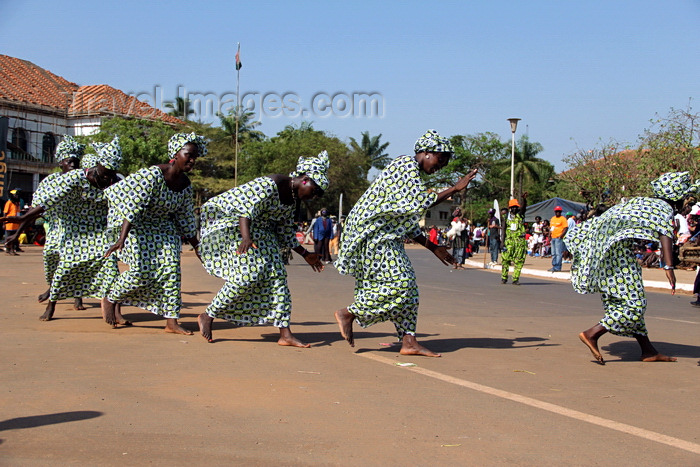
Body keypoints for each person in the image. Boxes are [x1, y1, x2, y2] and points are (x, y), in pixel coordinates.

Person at [334, 129, 479, 357]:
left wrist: (433, 248)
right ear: (426, 152)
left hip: (385, 238)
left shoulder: (413, 177)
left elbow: (407, 221)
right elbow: (420, 202)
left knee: (410, 292)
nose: (440, 166)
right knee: (402, 284)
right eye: (440, 160)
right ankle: (349, 313)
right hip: (371, 236)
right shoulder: (405, 165)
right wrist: (455, 188)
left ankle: (409, 341)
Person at [197, 151, 329, 346]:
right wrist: (246, 238)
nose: (315, 196)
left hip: (262, 233)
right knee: (247, 275)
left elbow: (284, 231)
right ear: (305, 180)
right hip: (237, 228)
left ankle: (285, 334)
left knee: (278, 277)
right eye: (315, 190)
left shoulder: (292, 200)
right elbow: (245, 210)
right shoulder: (270, 184)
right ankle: (208, 315)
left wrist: (305, 254)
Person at [570, 172, 699, 364]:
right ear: (676, 196)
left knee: (622, 301)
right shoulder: (663, 208)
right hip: (617, 255)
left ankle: (648, 351)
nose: (686, 204)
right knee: (635, 305)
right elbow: (665, 235)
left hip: (605, 252)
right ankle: (593, 333)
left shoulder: (643, 201)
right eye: (685, 199)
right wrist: (669, 267)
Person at [2, 136, 123, 321]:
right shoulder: (74, 178)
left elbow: (130, 205)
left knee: (111, 268)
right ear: (97, 167)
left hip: (99, 230)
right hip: (72, 229)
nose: (109, 178)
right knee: (64, 267)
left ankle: (115, 312)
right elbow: (46, 204)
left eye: (112, 173)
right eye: (105, 173)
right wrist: (23, 220)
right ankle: (52, 304)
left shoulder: (116, 181)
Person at [102, 132, 206, 334]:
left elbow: (184, 217)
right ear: (175, 154)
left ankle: (171, 322)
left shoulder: (185, 184)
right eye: (188, 155)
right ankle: (111, 297)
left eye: (195, 157)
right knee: (141, 270)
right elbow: (132, 208)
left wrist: (197, 246)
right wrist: (121, 240)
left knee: (171, 270)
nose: (192, 160)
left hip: (163, 227)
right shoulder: (152, 175)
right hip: (134, 224)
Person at [36, 135, 86, 310]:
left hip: (77, 230)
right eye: (69, 162)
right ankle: (52, 288)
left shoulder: (84, 181)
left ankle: (67, 300)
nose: (73, 165)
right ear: (61, 164)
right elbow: (39, 204)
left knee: (73, 263)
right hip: (56, 228)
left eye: (75, 162)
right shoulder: (50, 181)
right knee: (50, 258)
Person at [501, 193, 528, 285]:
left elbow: (524, 208)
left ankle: (515, 279)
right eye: (513, 207)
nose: (515, 209)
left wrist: (524, 200)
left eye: (516, 207)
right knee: (505, 260)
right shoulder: (505, 217)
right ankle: (504, 277)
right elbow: (503, 229)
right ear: (509, 208)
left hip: (520, 242)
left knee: (519, 260)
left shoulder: (520, 215)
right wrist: (502, 242)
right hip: (509, 241)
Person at [3, 189, 23, 255]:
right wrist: (4, 223)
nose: (16, 196)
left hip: (16, 224)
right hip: (9, 223)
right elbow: (5, 213)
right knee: (9, 237)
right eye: (15, 195)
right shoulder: (9, 202)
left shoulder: (17, 203)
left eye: (17, 195)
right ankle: (9, 249)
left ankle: (12, 249)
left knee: (15, 237)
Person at [548, 206, 568, 272]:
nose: (557, 213)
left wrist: (561, 236)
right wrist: (549, 235)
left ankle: (558, 267)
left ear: (561, 212)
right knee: (553, 253)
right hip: (553, 237)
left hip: (558, 238)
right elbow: (551, 228)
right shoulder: (553, 219)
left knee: (558, 253)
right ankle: (554, 266)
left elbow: (565, 228)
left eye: (559, 211)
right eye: (556, 211)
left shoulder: (563, 219)